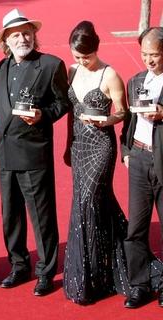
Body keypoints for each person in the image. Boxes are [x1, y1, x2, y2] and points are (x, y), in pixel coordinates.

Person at [0, 8, 71, 296]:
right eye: (16, 35)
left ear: (34, 35)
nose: (22, 38)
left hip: (34, 153)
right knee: (10, 215)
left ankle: (46, 271)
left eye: (27, 33)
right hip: (5, 155)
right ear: (7, 41)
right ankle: (18, 265)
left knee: (41, 216)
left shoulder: (51, 65)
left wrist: (43, 115)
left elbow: (63, 103)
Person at [62, 20, 130, 305]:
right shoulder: (72, 70)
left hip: (101, 145)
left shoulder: (110, 74)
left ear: (96, 50)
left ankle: (99, 276)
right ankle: (92, 272)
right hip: (79, 144)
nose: (80, 62)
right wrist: (67, 144)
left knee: (90, 200)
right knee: (86, 203)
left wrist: (105, 120)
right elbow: (70, 112)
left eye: (85, 57)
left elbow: (123, 112)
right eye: (76, 56)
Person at [121, 27, 163, 308]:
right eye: (145, 54)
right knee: (135, 228)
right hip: (138, 158)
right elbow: (128, 122)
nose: (148, 60)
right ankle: (140, 284)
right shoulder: (135, 81)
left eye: (155, 55)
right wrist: (126, 152)